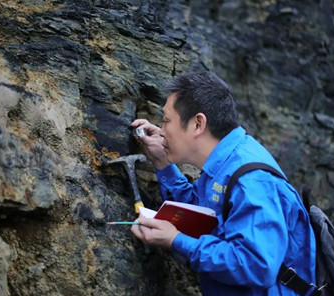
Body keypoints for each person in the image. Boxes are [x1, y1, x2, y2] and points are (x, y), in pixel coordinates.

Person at [130, 71, 316, 296]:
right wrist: (163, 163)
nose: (161, 130)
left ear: (198, 124)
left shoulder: (252, 182)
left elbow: (257, 266)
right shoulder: (225, 160)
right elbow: (203, 217)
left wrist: (176, 240)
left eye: (167, 120)